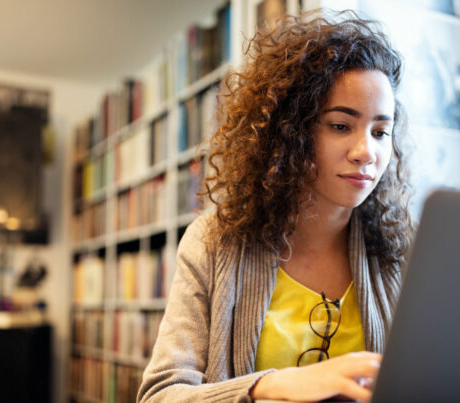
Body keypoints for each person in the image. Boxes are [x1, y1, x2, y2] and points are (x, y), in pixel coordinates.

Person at [138, 10, 414, 403]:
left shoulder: (404, 250)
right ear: (290, 131)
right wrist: (271, 386)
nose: (365, 153)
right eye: (340, 125)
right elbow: (159, 395)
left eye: (380, 132)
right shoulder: (214, 242)